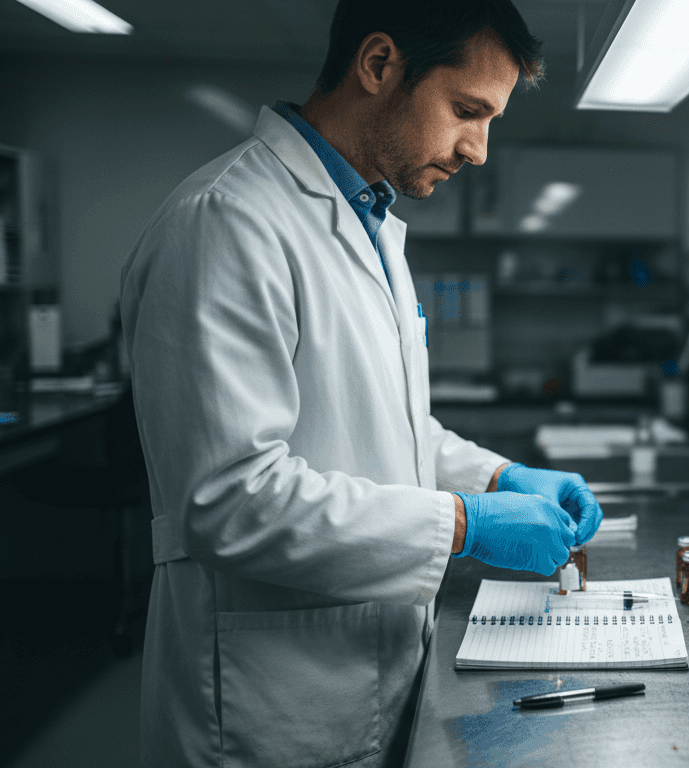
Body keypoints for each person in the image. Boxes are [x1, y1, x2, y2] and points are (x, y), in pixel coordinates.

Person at [119, 1, 601, 765]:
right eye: (467, 111)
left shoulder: (367, 220)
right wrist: (465, 525)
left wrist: (500, 475)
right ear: (379, 65)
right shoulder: (227, 221)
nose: (478, 150)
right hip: (267, 704)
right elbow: (229, 499)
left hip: (366, 668)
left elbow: (389, 425)